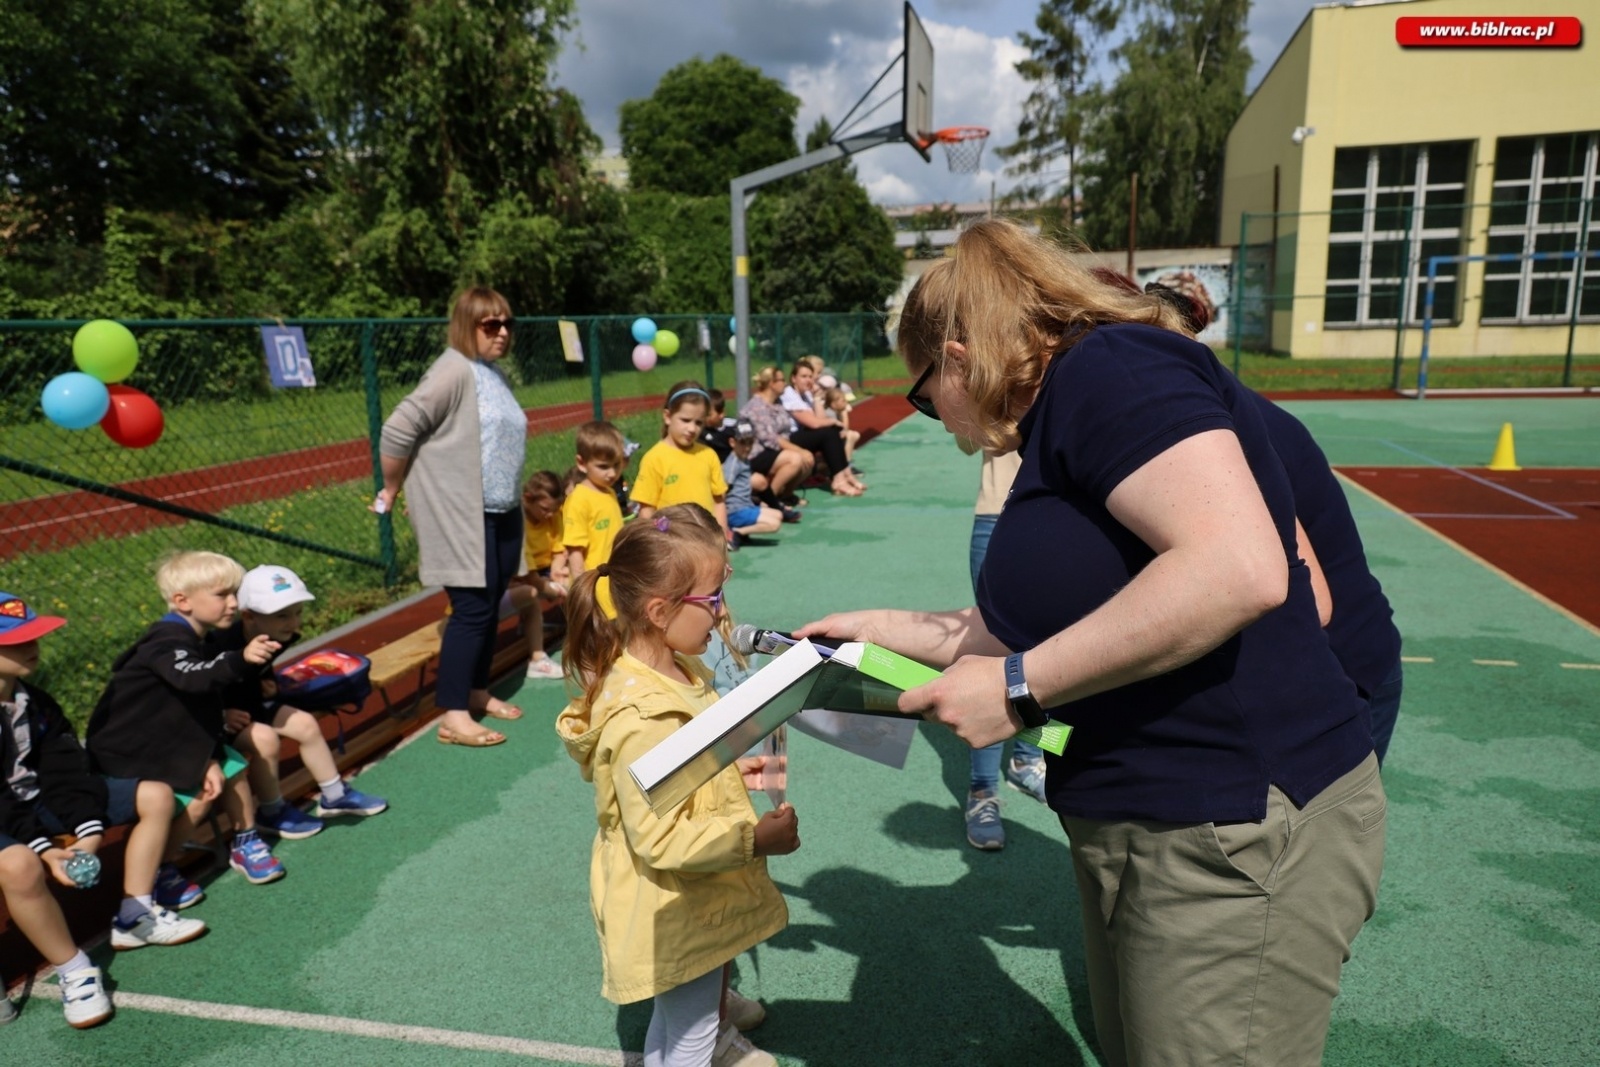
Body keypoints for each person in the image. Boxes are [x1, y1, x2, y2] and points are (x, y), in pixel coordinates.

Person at [798, 218, 1384, 1067]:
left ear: (959, 356)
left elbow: (1241, 568)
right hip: (1148, 813)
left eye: (924, 396)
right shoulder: (1058, 416)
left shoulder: (1111, 370)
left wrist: (1014, 687)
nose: (933, 418)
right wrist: (876, 628)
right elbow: (1051, 617)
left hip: (1229, 818)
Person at [556, 504, 800, 1067]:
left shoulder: (677, 671)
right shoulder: (647, 718)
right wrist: (753, 841)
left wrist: (731, 770)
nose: (721, 613)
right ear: (660, 610)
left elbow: (682, 776)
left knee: (678, 1022)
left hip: (684, 896)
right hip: (670, 899)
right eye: (711, 598)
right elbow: (658, 838)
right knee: (691, 1035)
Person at [0, 592, 188, 1028]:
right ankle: (76, 970)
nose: (34, 646)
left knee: (156, 796)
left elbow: (66, 769)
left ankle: (135, 912)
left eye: (35, 636)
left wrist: (89, 831)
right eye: (16, 641)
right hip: (6, 817)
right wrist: (46, 848)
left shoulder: (35, 701)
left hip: (36, 803)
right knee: (19, 865)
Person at [87, 551, 289, 899]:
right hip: (129, 752)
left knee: (231, 766)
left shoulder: (198, 639)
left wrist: (213, 743)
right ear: (182, 601)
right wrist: (239, 660)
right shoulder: (165, 642)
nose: (232, 603)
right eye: (221, 594)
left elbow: (189, 701)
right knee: (198, 798)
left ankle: (246, 839)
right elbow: (192, 679)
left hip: (162, 741)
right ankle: (159, 869)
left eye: (234, 593)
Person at [377, 286, 528, 748]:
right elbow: (400, 426)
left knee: (490, 605)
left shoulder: (491, 372)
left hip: (502, 509)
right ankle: (454, 714)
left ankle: (477, 692)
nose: (502, 333)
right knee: (471, 610)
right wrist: (394, 485)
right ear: (467, 326)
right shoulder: (452, 370)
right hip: (463, 513)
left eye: (507, 324)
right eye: (490, 325)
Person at [217, 565, 389, 840]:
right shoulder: (218, 643)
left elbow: (257, 669)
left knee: (305, 724)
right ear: (248, 616)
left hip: (253, 704)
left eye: (298, 612)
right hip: (219, 720)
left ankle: (333, 795)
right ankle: (271, 812)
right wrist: (222, 713)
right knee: (264, 740)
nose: (293, 623)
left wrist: (267, 683)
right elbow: (198, 685)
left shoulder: (280, 635)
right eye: (282, 616)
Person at [953, 443, 1047, 852]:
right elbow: (969, 438)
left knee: (1051, 645)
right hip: (998, 512)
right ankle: (982, 790)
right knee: (996, 650)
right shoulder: (994, 376)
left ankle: (1028, 759)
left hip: (1062, 514)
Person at [633, 382, 734, 547]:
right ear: (667, 416)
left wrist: (721, 541)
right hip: (672, 547)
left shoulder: (708, 455)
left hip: (706, 544)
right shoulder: (654, 458)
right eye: (685, 420)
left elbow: (719, 502)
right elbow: (647, 511)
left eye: (699, 422)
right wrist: (662, 538)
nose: (692, 428)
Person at [505, 472, 570, 681]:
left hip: (544, 570)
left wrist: (557, 570)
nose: (550, 515)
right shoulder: (518, 523)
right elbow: (529, 577)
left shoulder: (553, 515)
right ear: (527, 498)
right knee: (533, 595)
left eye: (554, 510)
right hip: (521, 575)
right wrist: (552, 588)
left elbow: (559, 550)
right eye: (544, 509)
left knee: (577, 577)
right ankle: (537, 658)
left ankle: (578, 631)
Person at [777, 357, 865, 496]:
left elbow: (821, 419)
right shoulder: (789, 394)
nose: (808, 380)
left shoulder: (806, 394)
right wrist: (834, 422)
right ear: (794, 378)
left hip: (801, 434)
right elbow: (813, 423)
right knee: (828, 433)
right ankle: (838, 479)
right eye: (803, 376)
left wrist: (817, 397)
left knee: (833, 431)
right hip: (785, 439)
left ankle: (844, 474)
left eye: (811, 377)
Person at [738, 367, 814, 512]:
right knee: (795, 459)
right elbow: (769, 439)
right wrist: (798, 450)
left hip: (773, 451)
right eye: (781, 380)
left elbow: (784, 433)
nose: (785, 383)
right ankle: (770, 500)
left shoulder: (778, 403)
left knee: (807, 459)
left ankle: (785, 495)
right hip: (755, 454)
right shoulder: (756, 406)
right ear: (771, 383)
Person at [563, 420, 629, 580]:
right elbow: (575, 552)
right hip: (593, 584)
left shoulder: (610, 492)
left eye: (616, 465)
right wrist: (583, 589)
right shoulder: (579, 500)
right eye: (603, 467)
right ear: (581, 463)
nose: (612, 473)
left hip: (613, 578)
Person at [722, 420, 784, 549]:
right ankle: (736, 533)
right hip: (736, 511)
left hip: (746, 506)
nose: (747, 447)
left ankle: (740, 531)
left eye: (750, 443)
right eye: (743, 443)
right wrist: (722, 519)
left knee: (778, 514)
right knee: (774, 525)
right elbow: (723, 489)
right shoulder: (733, 463)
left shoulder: (743, 459)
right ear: (732, 442)